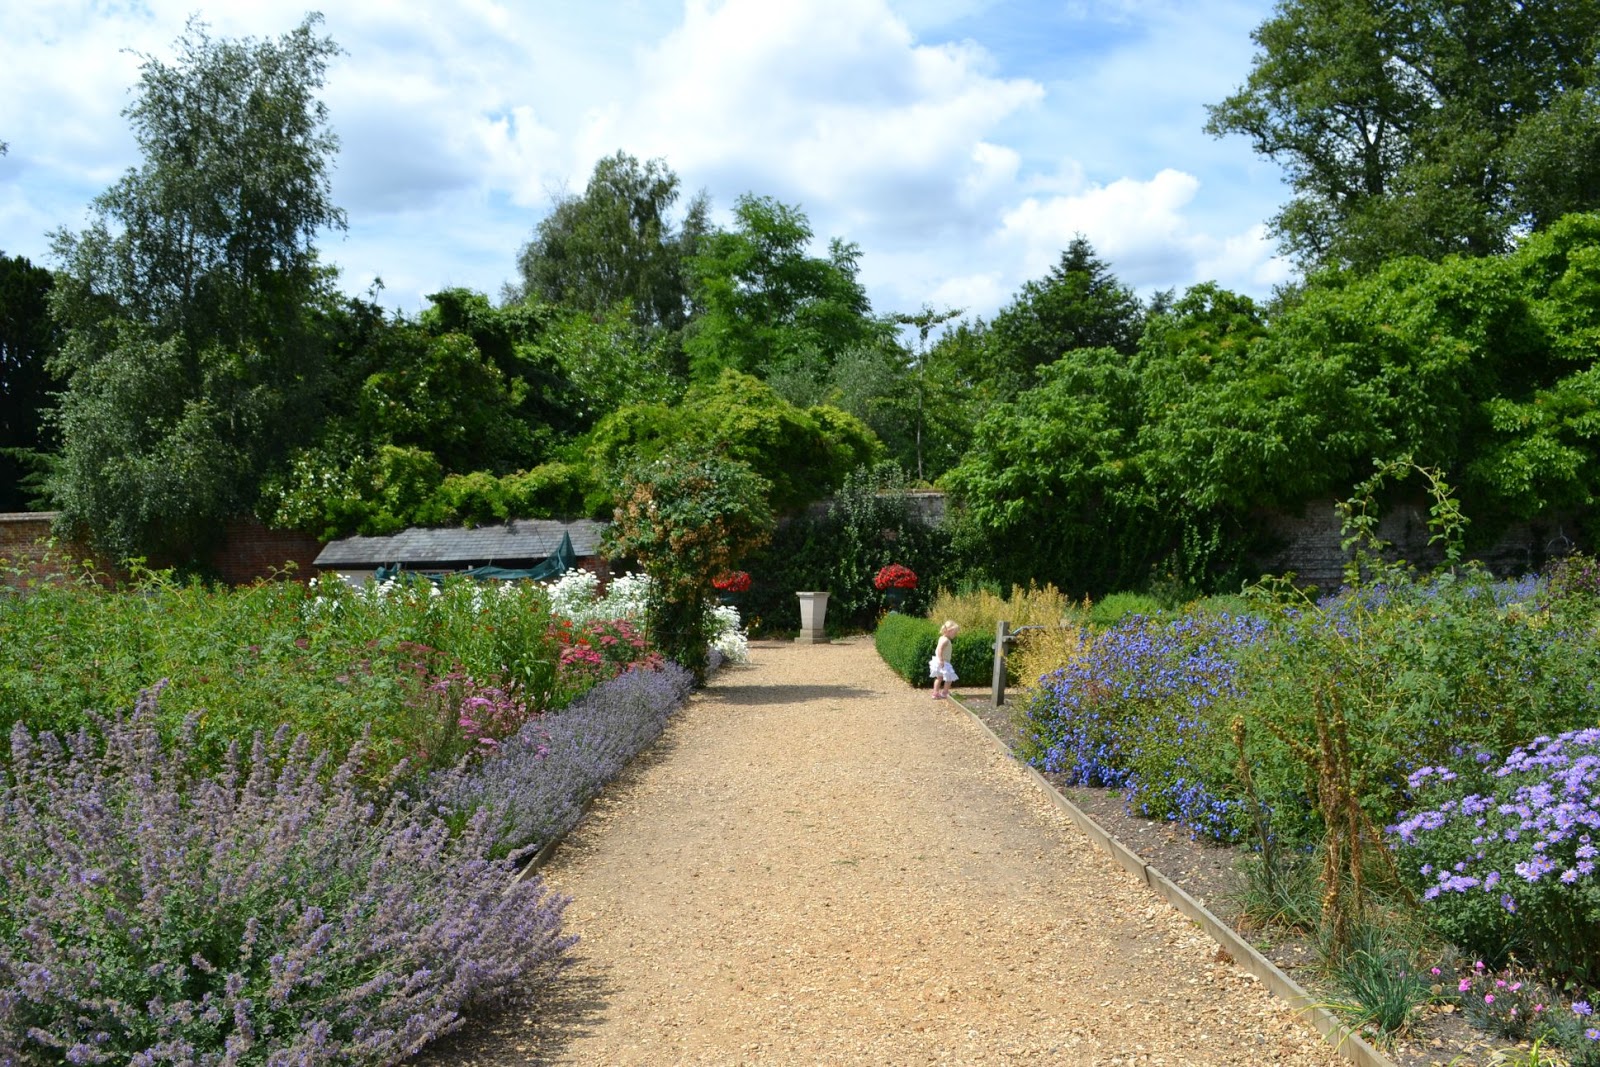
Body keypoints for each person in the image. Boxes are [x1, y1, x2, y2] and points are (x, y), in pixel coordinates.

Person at [929, 620, 960, 699]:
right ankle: (944, 692)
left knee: (939, 678)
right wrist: (941, 660)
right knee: (949, 678)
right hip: (943, 661)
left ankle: (935, 693)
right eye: (955, 632)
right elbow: (940, 649)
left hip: (938, 661)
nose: (956, 634)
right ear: (950, 631)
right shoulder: (946, 640)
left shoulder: (941, 638)